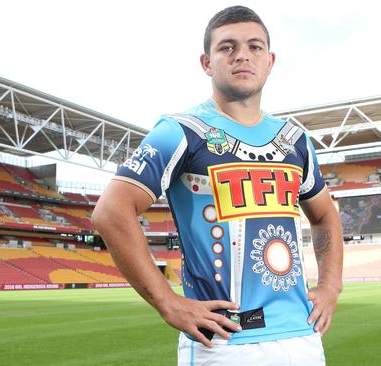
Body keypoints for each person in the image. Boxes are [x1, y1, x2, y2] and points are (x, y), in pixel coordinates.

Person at [92, 6, 343, 365]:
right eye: (227, 47)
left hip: (302, 338)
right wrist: (167, 301)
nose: (242, 54)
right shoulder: (181, 131)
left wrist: (331, 286)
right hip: (225, 344)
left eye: (255, 47)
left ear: (270, 61)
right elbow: (111, 211)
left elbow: (324, 216)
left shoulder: (296, 140)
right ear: (206, 63)